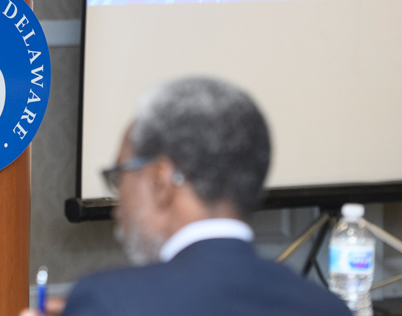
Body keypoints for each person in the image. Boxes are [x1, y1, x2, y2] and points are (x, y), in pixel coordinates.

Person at [23, 78, 351, 316]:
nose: (117, 208)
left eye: (120, 176)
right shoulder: (327, 307)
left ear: (161, 182)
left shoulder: (106, 300)